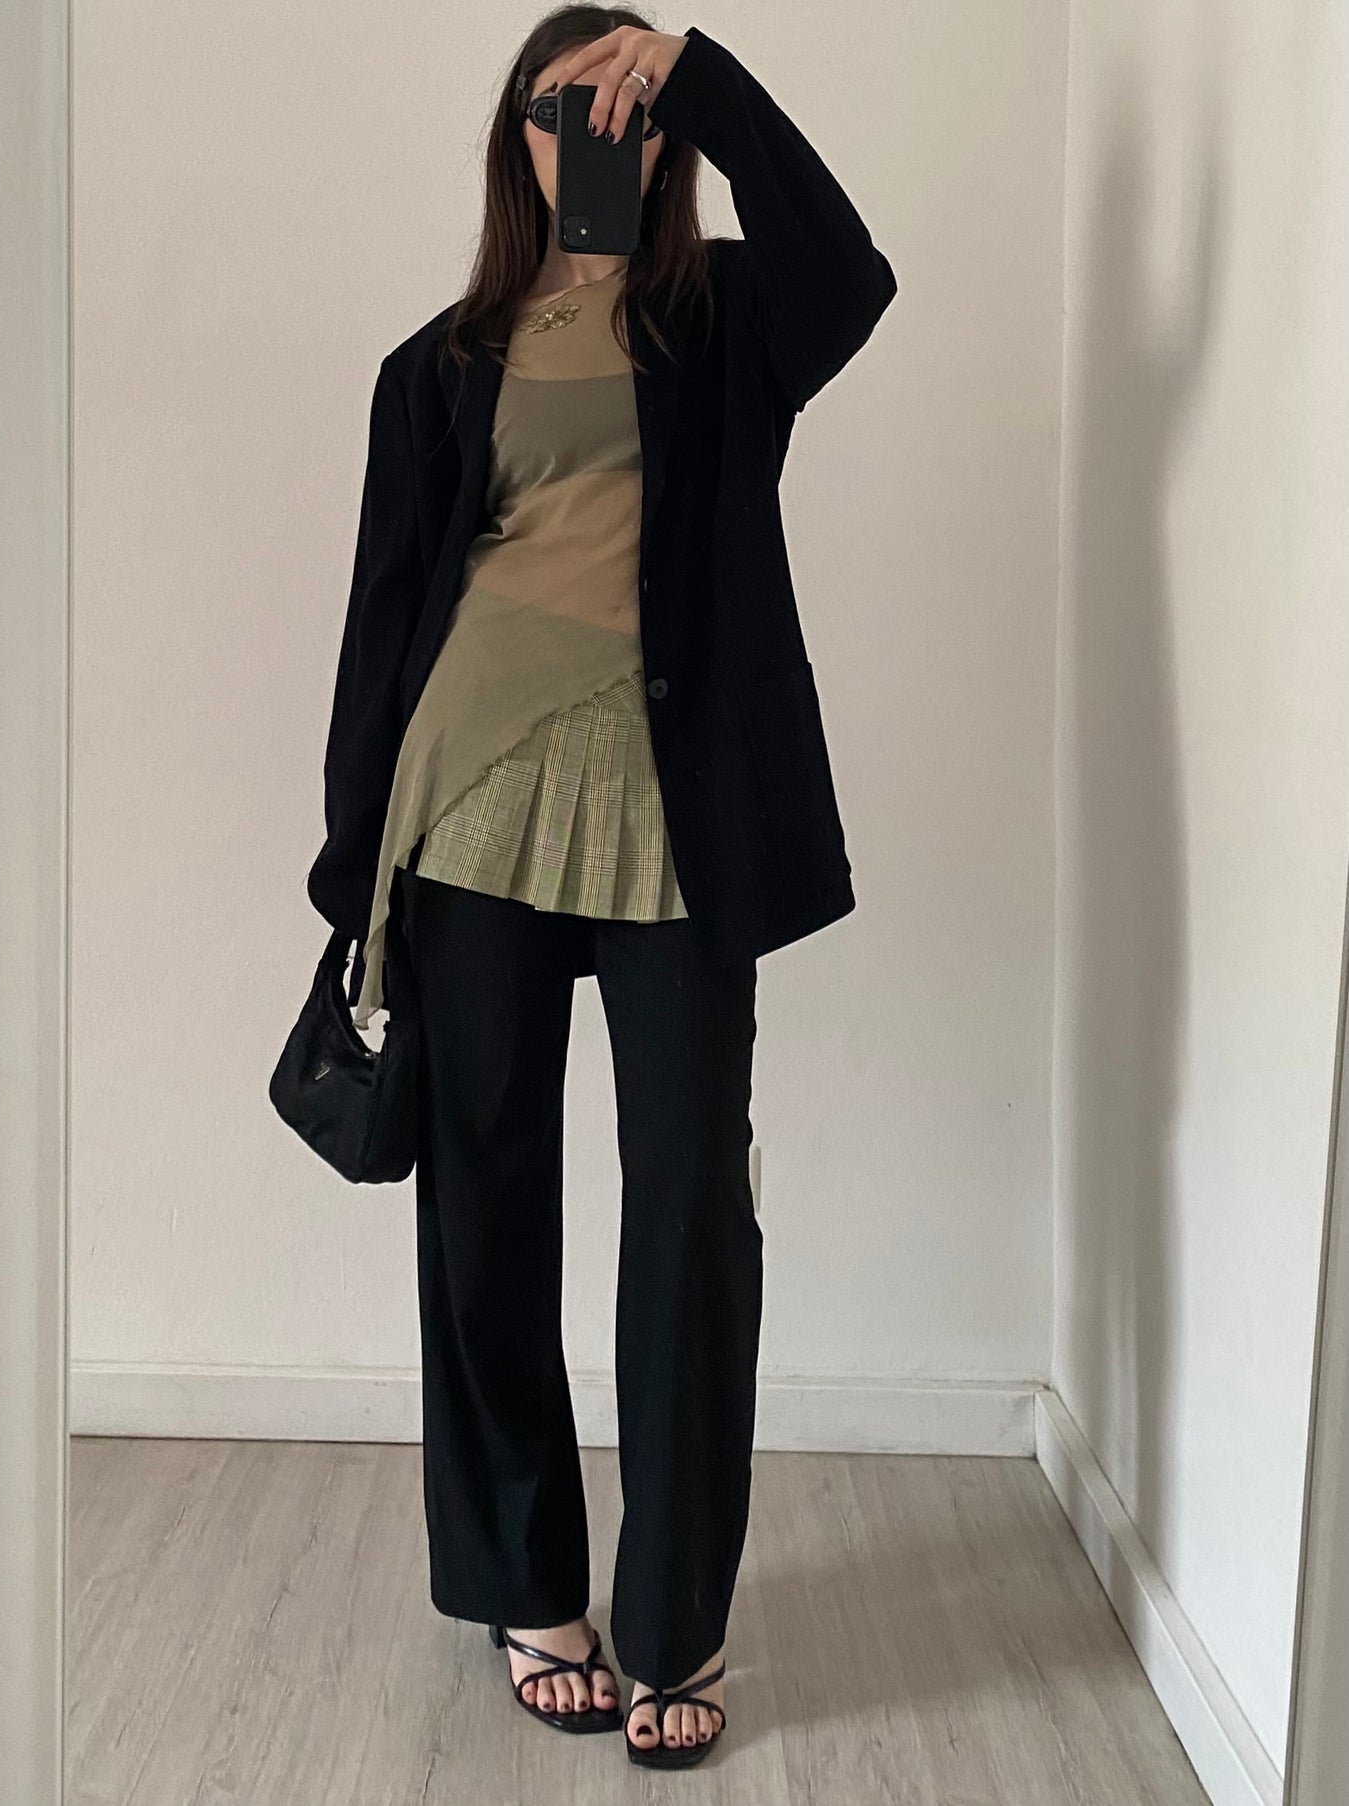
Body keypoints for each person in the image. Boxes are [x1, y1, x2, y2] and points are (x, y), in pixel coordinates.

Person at [305, 5, 896, 1769]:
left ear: (663, 137)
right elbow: (385, 619)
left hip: (676, 811)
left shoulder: (726, 323)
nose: (591, 134)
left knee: (692, 1195)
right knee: (485, 1187)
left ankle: (676, 1615)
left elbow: (854, 266)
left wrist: (695, 62)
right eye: (556, 110)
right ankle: (526, 1583)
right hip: (470, 800)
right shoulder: (435, 367)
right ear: (513, 141)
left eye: (620, 106)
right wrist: (351, 861)